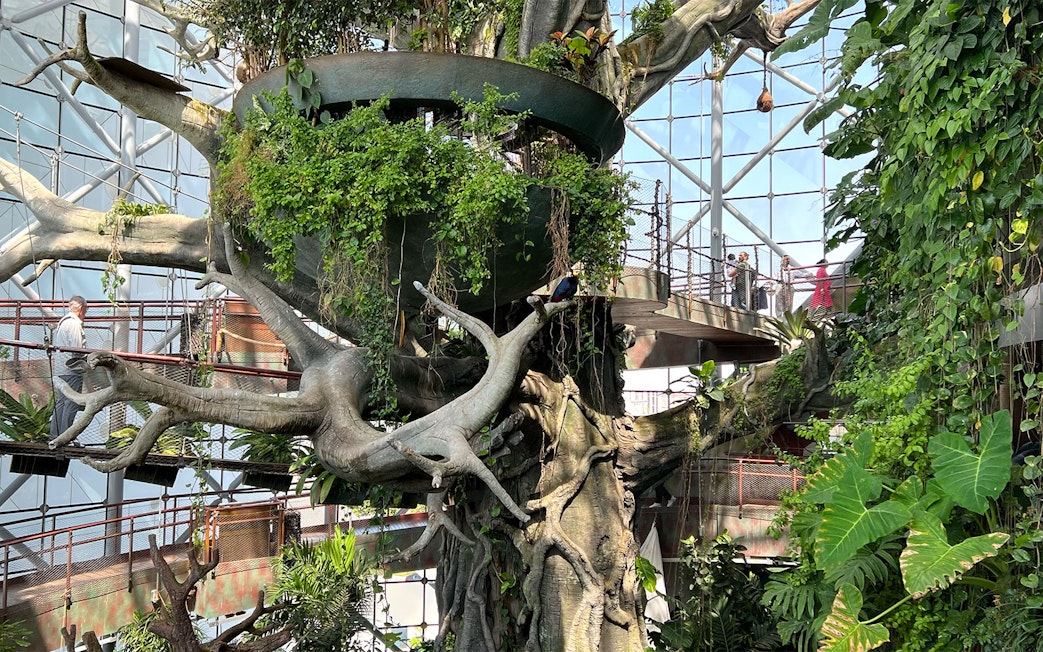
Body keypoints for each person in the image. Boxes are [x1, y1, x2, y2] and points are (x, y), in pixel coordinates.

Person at [50, 295, 88, 441]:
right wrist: (87, 359)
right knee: (72, 401)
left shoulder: (63, 322)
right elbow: (77, 349)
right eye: (86, 309)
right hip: (72, 368)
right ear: (81, 308)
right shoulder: (74, 324)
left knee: (61, 402)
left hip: (60, 368)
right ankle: (66, 437)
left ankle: (55, 435)